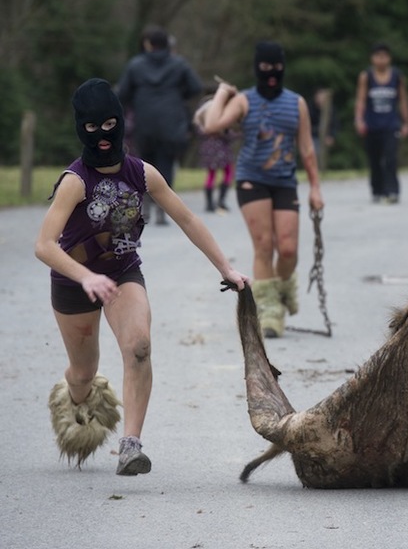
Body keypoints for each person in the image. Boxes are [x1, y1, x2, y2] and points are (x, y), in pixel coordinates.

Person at [36, 78, 249, 476]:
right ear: (80, 129)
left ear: (121, 121)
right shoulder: (75, 181)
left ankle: (130, 445)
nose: (102, 135)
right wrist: (85, 277)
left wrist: (226, 268)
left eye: (109, 125)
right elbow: (45, 245)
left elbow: (186, 218)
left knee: (139, 348)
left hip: (122, 274)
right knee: (83, 372)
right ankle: (76, 395)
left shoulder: (143, 174)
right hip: (74, 280)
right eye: (92, 128)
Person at [203, 41, 325, 338]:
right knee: (263, 244)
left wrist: (315, 188)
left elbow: (307, 148)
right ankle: (269, 311)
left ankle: (282, 287)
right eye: (265, 67)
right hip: (251, 179)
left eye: (277, 67)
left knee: (287, 248)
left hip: (284, 181)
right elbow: (212, 125)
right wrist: (221, 94)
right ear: (257, 68)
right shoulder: (244, 101)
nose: (272, 73)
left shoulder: (296, 103)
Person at [117, 25, 203, 225]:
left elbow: (122, 94)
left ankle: (145, 206)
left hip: (144, 122)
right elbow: (196, 87)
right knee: (166, 163)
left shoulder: (136, 65)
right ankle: (163, 211)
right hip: (171, 122)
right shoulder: (179, 65)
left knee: (145, 165)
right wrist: (177, 96)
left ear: (148, 44)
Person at [354, 42, 408, 204]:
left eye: (384, 56)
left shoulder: (397, 76)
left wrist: (406, 122)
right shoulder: (366, 76)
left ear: (389, 58)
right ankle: (377, 190)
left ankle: (392, 190)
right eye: (378, 56)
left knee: (390, 158)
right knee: (374, 159)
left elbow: (403, 100)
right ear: (372, 59)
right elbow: (361, 100)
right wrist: (359, 119)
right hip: (372, 125)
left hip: (391, 124)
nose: (381, 60)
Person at [193, 93, 238, 213]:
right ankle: (221, 201)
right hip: (222, 150)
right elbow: (228, 136)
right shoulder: (220, 120)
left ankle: (209, 203)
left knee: (211, 174)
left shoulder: (201, 121)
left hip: (208, 149)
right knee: (228, 172)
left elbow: (199, 133)